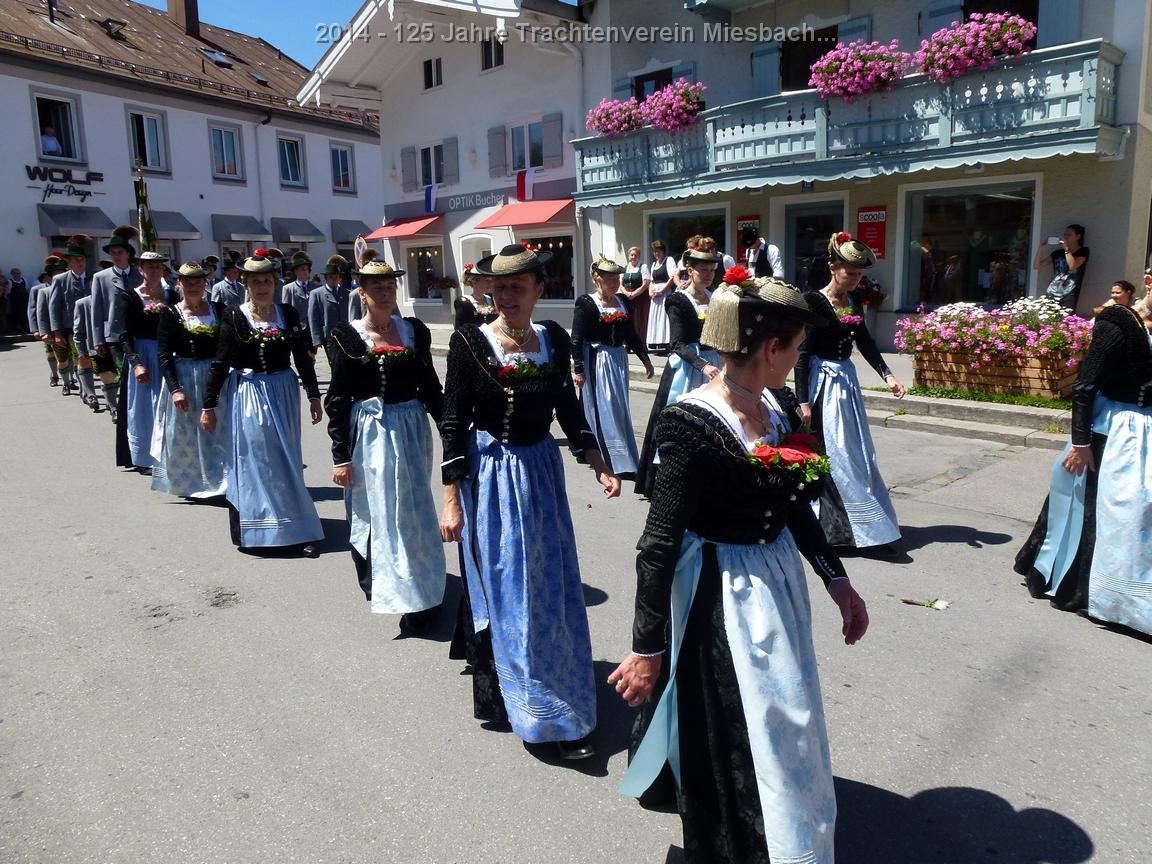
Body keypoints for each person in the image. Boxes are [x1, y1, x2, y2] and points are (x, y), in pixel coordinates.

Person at [610, 272, 868, 864]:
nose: (799, 357)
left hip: (777, 582)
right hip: (721, 591)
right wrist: (647, 648)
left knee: (786, 713)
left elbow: (794, 506)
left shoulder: (777, 406)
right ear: (771, 348)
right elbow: (658, 543)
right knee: (737, 719)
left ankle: (790, 832)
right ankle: (741, 842)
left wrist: (837, 580)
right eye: (796, 346)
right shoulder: (691, 424)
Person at [438, 244, 621, 760]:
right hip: (493, 478)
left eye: (517, 287)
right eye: (499, 287)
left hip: (541, 474)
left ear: (540, 289)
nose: (506, 296)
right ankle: (537, 712)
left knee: (550, 585)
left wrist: (597, 459)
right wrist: (452, 500)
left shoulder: (553, 339)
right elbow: (453, 421)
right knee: (512, 590)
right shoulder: (470, 342)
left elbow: (566, 405)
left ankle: (556, 682)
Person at [1014, 291, 1152, 635]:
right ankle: (1095, 591)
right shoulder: (1120, 324)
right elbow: (1084, 386)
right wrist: (1080, 443)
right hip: (1117, 432)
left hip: (1146, 433)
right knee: (1113, 511)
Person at [326, 259, 445, 632]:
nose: (385, 292)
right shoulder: (347, 337)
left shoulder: (412, 331)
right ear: (361, 292)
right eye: (376, 286)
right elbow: (338, 398)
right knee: (377, 508)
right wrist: (340, 456)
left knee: (412, 509)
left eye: (390, 286)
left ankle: (421, 587)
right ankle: (385, 583)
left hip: (411, 428)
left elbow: (430, 386)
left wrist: (452, 432)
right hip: (371, 432)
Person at [202, 254, 324, 558]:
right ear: (246, 284)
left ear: (275, 283)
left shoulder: (288, 313)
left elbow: (302, 356)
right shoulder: (234, 316)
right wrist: (208, 404)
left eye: (267, 281)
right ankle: (261, 528)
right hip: (249, 392)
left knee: (286, 459)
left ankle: (297, 529)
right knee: (257, 458)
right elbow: (221, 361)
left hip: (283, 391)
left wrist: (313, 394)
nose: (262, 287)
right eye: (255, 281)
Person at [795, 232, 904, 558]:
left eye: (859, 274)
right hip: (823, 385)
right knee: (836, 455)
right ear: (833, 267)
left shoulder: (853, 300)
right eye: (850, 273)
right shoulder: (814, 301)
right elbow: (803, 354)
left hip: (846, 384)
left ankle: (865, 529)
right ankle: (837, 531)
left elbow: (865, 342)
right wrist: (803, 401)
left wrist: (887, 374)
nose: (855, 279)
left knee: (857, 455)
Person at [635, 249, 721, 498]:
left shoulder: (714, 297)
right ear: (690, 271)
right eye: (703, 270)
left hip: (714, 362)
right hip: (687, 368)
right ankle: (668, 480)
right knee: (679, 422)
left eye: (712, 270)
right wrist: (702, 365)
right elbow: (677, 344)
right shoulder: (678, 301)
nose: (708, 274)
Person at [151, 262, 230, 499]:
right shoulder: (170, 313)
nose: (193, 286)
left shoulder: (219, 309)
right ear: (179, 284)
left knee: (218, 429)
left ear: (205, 284)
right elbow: (164, 354)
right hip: (185, 376)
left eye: (198, 282)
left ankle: (222, 482)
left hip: (216, 377)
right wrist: (175, 389)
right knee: (187, 432)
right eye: (188, 282)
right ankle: (192, 484)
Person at [571, 255, 654, 478]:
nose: (615, 282)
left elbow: (631, 334)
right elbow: (576, 339)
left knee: (618, 407)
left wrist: (645, 359)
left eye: (617, 278)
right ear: (597, 279)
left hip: (618, 359)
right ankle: (610, 457)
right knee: (604, 407)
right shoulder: (587, 303)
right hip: (597, 359)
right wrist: (579, 369)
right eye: (610, 278)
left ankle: (622, 454)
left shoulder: (622, 301)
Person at [118, 251, 178, 471]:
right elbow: (125, 335)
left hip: (168, 354)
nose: (154, 271)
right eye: (150, 267)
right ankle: (146, 457)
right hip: (143, 354)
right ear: (141, 270)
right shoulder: (131, 297)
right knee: (144, 408)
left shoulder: (171, 296)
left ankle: (171, 454)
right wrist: (136, 364)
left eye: (158, 267)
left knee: (169, 406)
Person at [46, 234, 90, 397]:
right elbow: (54, 307)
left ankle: (86, 388)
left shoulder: (94, 277)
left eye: (82, 259)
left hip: (91, 326)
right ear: (69, 262)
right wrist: (56, 333)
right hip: (70, 327)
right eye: (75, 260)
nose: (79, 262)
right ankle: (72, 385)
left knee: (88, 359)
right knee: (76, 357)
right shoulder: (60, 280)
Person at [1034, 224, 1089, 311]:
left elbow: (1072, 266)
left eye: (1069, 235)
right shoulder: (1057, 253)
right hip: (1052, 291)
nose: (1065, 237)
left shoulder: (1083, 251)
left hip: (1069, 293)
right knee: (1049, 317)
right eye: (1064, 234)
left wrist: (1066, 249)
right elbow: (1037, 266)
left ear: (1078, 236)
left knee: (1066, 318)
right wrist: (1041, 248)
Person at [31, 258, 66, 388]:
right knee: (50, 352)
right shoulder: (38, 290)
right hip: (46, 327)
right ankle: (54, 375)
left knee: (65, 354)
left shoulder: (64, 287)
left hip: (62, 326)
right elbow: (33, 310)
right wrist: (36, 329)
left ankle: (68, 377)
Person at [308, 255, 350, 357]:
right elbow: (313, 317)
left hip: (346, 335)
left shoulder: (347, 293)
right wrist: (316, 338)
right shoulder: (317, 294)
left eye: (336, 277)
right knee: (334, 362)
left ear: (340, 278)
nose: (333, 279)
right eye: (331, 277)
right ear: (326, 278)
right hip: (329, 336)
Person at [646, 240, 676, 354]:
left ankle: (667, 343)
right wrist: (650, 292)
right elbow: (652, 281)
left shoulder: (669, 260)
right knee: (656, 318)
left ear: (663, 251)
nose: (656, 253)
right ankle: (657, 342)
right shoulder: (654, 264)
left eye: (658, 251)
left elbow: (672, 278)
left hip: (665, 294)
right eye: (654, 251)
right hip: (655, 296)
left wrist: (662, 291)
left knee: (664, 318)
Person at [621, 246, 652, 343]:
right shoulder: (625, 268)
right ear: (628, 256)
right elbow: (620, 284)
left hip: (640, 297)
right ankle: (628, 343)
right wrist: (626, 293)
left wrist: (634, 294)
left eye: (636, 255)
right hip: (627, 296)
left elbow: (646, 283)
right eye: (632, 255)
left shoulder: (643, 267)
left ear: (639, 256)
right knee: (628, 319)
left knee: (640, 319)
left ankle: (640, 343)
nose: (633, 257)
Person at [452, 263, 498, 329]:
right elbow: (460, 328)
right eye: (487, 280)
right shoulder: (464, 303)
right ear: (474, 282)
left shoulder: (491, 298)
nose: (490, 283)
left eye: (491, 280)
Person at [281, 250, 313, 325]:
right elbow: (286, 310)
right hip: (297, 326)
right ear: (296, 271)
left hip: (314, 326)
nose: (305, 271)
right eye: (303, 269)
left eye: (307, 269)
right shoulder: (288, 288)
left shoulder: (317, 287)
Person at [8, 268, 26, 333]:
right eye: (16, 273)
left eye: (19, 273)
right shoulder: (10, 281)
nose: (18, 275)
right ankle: (16, 328)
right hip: (14, 300)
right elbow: (9, 292)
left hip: (23, 300)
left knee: (23, 313)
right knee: (15, 313)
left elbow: (26, 289)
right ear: (12, 274)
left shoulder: (24, 280)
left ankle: (24, 327)